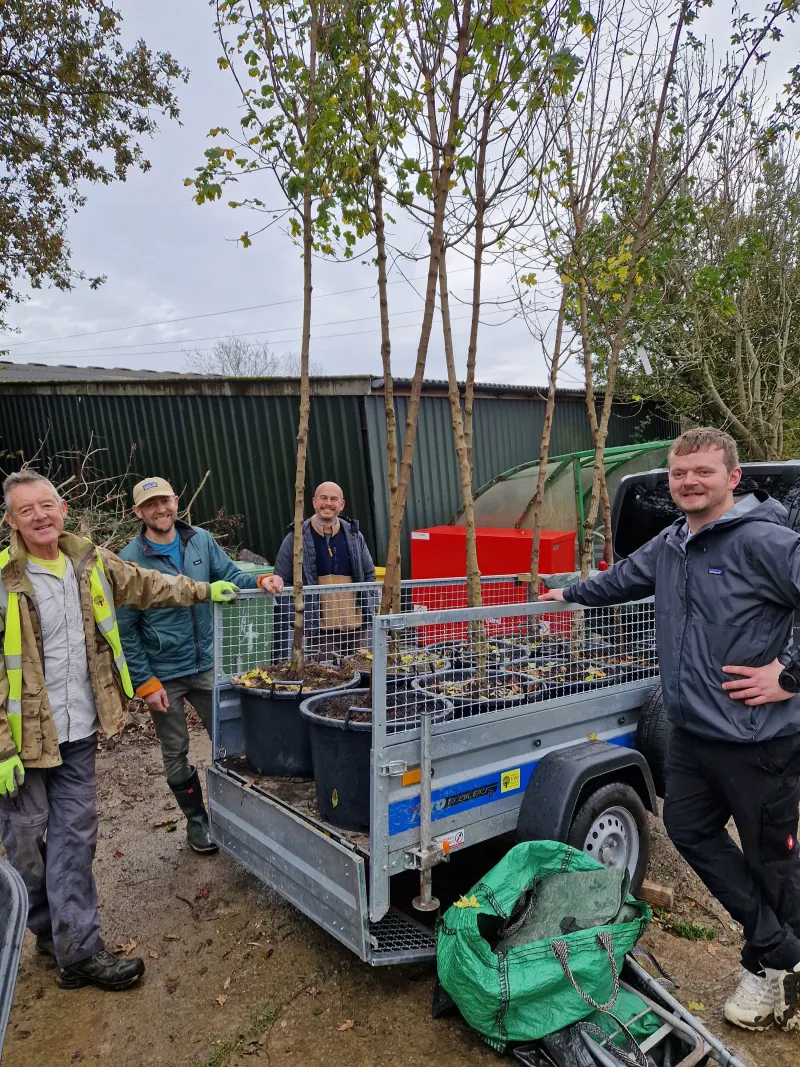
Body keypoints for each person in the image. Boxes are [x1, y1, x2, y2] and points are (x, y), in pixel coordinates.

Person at [539, 427, 800, 1033]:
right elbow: (621, 579)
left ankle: (769, 972)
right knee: (685, 827)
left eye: (703, 472)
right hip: (691, 733)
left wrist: (789, 676)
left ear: (732, 479)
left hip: (759, 740)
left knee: (773, 861)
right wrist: (567, 594)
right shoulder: (672, 543)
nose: (688, 482)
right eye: (680, 474)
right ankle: (778, 944)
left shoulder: (768, 541)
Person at [0, 470, 240, 991]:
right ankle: (45, 928)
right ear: (11, 521)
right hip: (20, 745)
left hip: (79, 730)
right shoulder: (3, 581)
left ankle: (80, 950)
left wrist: (204, 589)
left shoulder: (90, 562)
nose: (40, 516)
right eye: (26, 510)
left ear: (62, 509)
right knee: (24, 845)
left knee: (74, 839)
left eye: (47, 506)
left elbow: (146, 584)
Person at [117, 477, 283, 853]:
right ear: (138, 512)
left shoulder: (200, 541)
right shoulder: (130, 560)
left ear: (177, 502)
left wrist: (263, 578)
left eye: (166, 501)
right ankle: (197, 821)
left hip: (207, 665)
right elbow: (126, 631)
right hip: (164, 675)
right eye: (151, 505)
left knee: (233, 738)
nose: (161, 510)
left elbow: (231, 575)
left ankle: (241, 814)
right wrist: (145, 682)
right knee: (175, 749)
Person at [273, 482, 376, 658]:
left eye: (334, 499)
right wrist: (298, 620)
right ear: (314, 502)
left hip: (356, 629)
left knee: (360, 678)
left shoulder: (354, 535)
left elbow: (369, 575)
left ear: (341, 505)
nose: (328, 503)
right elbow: (282, 581)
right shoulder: (297, 537)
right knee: (325, 680)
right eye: (323, 498)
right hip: (320, 632)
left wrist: (369, 609)